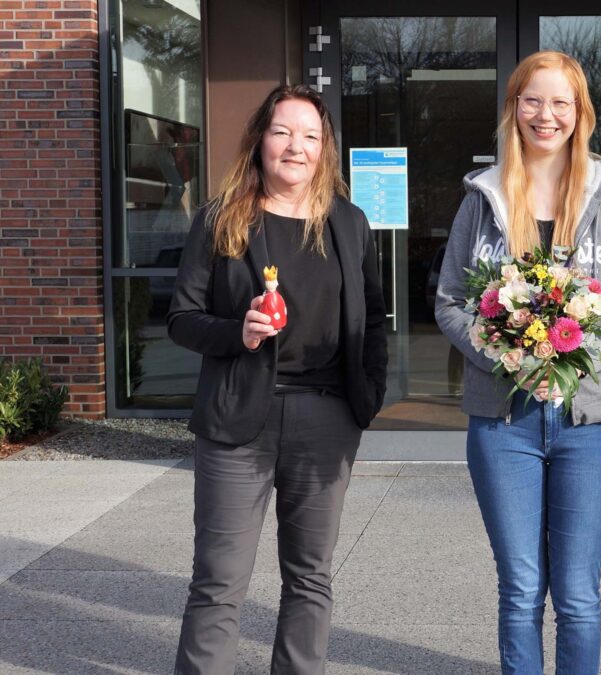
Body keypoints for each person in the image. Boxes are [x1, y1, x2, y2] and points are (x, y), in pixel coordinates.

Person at [435, 51, 601, 674]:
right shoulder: (481, 200)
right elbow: (449, 300)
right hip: (504, 424)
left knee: (580, 597)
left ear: (580, 114)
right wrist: (501, 352)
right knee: (520, 591)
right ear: (514, 109)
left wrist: (578, 356)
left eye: (561, 102)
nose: (546, 115)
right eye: (533, 100)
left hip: (591, 426)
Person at [168, 84, 388, 673]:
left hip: (326, 419)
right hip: (239, 418)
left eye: (311, 136)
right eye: (283, 132)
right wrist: (235, 332)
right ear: (260, 141)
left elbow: (372, 317)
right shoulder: (222, 218)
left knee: (311, 579)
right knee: (219, 580)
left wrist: (366, 398)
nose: (297, 147)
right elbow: (182, 319)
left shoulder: (349, 222)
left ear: (326, 149)